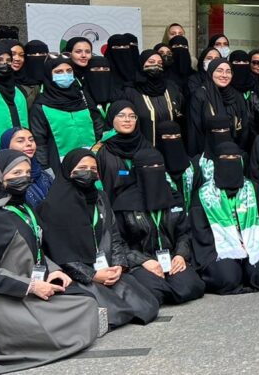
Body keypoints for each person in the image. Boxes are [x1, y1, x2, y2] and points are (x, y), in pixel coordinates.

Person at [0, 150, 100, 370]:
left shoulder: (22, 209)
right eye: (15, 173)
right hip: (0, 302)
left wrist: (53, 270)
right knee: (63, 332)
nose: (23, 177)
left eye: (26, 172)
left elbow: (37, 248)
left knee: (85, 302)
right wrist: (32, 286)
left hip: (28, 290)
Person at [39, 147, 160, 327]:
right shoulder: (52, 206)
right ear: (68, 171)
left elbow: (115, 235)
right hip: (78, 274)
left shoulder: (100, 198)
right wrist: (93, 275)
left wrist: (119, 265)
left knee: (148, 306)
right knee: (117, 314)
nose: (88, 173)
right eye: (82, 168)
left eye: (93, 169)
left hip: (106, 266)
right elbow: (59, 253)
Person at [114, 145, 205, 305]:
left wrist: (180, 255)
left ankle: (164, 291)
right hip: (141, 262)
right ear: (137, 171)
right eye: (148, 167)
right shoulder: (124, 203)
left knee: (192, 286)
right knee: (154, 290)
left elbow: (184, 232)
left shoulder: (173, 197)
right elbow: (119, 242)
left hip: (170, 258)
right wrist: (142, 261)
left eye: (158, 167)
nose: (154, 171)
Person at [190, 142, 259, 294]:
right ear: (217, 162)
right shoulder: (203, 195)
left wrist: (247, 242)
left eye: (235, 157)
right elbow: (201, 232)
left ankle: (246, 269)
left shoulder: (253, 188)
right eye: (225, 157)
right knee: (227, 278)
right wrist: (232, 243)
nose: (230, 160)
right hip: (219, 247)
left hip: (251, 243)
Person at [28, 56, 103, 169]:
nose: (65, 75)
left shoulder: (83, 97)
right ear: (49, 75)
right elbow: (39, 141)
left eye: (69, 71)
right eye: (59, 71)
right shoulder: (41, 105)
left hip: (92, 160)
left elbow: (98, 124)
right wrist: (45, 168)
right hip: (58, 163)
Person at [186, 58, 248, 158]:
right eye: (219, 71)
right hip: (207, 154)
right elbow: (195, 130)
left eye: (228, 72)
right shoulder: (200, 95)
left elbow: (244, 127)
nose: (224, 75)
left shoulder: (237, 96)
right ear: (211, 73)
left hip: (233, 154)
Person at [121, 50, 182, 147]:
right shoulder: (130, 91)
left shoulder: (171, 88)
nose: (156, 66)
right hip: (142, 149)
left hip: (170, 147)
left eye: (159, 63)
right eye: (151, 62)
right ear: (141, 64)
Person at [0, 127, 50, 210]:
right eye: (20, 141)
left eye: (31, 140)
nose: (29, 144)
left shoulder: (43, 175)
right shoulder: (3, 178)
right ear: (7, 145)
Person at [155, 121, 196, 212]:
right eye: (167, 137)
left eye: (177, 137)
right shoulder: (154, 168)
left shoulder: (191, 166)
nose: (173, 140)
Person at [16, 39, 49, 105]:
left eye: (42, 54)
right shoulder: (17, 84)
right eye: (32, 54)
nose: (37, 57)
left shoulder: (54, 80)